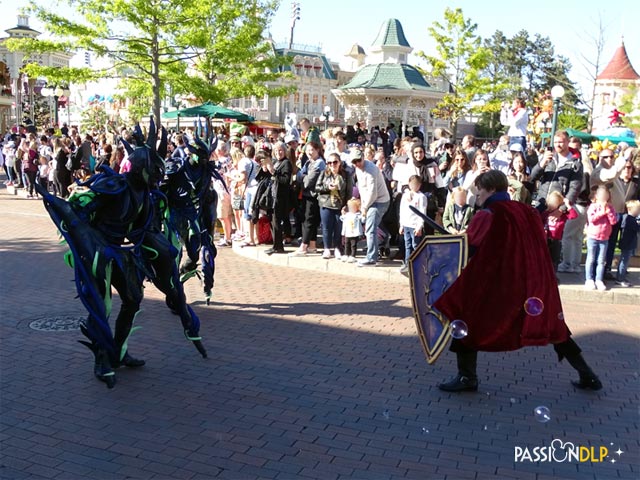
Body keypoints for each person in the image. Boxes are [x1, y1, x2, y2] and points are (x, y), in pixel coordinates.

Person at [434, 170, 602, 393]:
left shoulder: (488, 214)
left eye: (481, 190)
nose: (478, 195)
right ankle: (587, 374)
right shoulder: (525, 210)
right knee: (553, 327)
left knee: (466, 318)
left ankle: (467, 377)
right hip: (533, 281)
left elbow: (471, 249)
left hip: (502, 283)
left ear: (492, 189)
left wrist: (451, 244)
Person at [591, 152, 639, 280]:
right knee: (602, 245)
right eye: (605, 156)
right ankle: (596, 273)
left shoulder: (612, 171)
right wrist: (623, 157)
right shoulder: (600, 172)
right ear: (599, 158)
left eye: (612, 156)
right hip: (603, 216)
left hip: (616, 214)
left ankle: (605, 269)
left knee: (611, 244)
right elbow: (612, 174)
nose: (609, 159)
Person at [351, 149, 390, 266]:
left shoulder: (371, 169)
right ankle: (384, 241)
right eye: (354, 162)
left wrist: (364, 207)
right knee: (372, 226)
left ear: (363, 157)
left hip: (380, 201)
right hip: (370, 201)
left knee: (370, 228)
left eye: (359, 160)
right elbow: (363, 189)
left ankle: (371, 257)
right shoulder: (357, 169)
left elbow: (373, 193)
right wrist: (362, 203)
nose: (357, 163)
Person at [529, 130, 583, 211]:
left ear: (568, 142)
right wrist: (542, 163)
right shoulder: (549, 158)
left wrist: (562, 209)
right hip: (541, 203)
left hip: (558, 208)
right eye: (555, 142)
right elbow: (532, 177)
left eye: (561, 142)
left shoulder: (575, 163)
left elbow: (574, 189)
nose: (557, 145)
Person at [290, 141, 325, 256]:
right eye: (308, 150)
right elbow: (300, 175)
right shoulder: (309, 162)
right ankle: (312, 245)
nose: (310, 152)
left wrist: (303, 177)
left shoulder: (319, 163)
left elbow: (308, 181)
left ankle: (304, 245)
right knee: (311, 220)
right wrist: (303, 177)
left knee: (309, 220)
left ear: (318, 150)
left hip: (313, 196)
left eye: (312, 150)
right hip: (306, 195)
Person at [316, 152, 352, 259]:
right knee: (326, 227)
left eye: (335, 162)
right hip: (326, 203)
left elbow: (349, 192)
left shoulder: (346, 175)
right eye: (330, 163)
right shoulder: (324, 173)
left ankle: (337, 248)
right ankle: (327, 249)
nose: (332, 165)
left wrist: (346, 205)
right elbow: (317, 187)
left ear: (339, 162)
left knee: (338, 227)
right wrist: (327, 187)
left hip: (339, 204)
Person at [584, 185, 618, 291]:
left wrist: (608, 213)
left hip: (604, 238)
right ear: (597, 196)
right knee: (591, 259)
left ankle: (599, 279)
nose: (604, 197)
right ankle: (589, 279)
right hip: (593, 237)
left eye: (606, 195)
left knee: (601, 260)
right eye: (601, 195)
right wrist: (601, 212)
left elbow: (613, 221)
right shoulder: (593, 207)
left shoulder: (611, 207)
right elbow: (592, 219)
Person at [265, 141, 292, 255]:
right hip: (272, 196)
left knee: (276, 221)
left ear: (285, 151)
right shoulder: (276, 162)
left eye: (280, 150)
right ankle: (275, 244)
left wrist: (274, 173)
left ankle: (278, 246)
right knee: (272, 220)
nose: (278, 153)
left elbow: (285, 180)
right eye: (276, 151)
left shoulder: (286, 163)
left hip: (281, 197)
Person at [540, 191, 578, 274]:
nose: (552, 205)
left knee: (554, 259)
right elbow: (540, 223)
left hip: (556, 240)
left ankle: (553, 275)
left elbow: (574, 215)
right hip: (546, 239)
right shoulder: (545, 214)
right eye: (551, 203)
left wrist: (567, 205)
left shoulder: (562, 215)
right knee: (544, 258)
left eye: (555, 203)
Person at [398, 175, 427, 273]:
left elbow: (422, 213)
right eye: (412, 184)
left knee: (415, 245)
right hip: (406, 224)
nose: (414, 186)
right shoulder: (405, 195)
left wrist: (419, 226)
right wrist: (401, 225)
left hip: (415, 225)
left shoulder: (421, 197)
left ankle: (417, 264)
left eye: (417, 184)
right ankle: (407, 263)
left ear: (420, 185)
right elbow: (402, 210)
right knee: (407, 245)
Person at [616, 200, 640, 287]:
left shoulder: (626, 218)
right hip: (628, 244)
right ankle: (620, 278)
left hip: (627, 243)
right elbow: (637, 229)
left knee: (624, 260)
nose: (638, 211)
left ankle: (621, 276)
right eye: (637, 209)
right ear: (630, 209)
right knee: (624, 261)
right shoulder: (630, 219)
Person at [340, 198, 365, 263]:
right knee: (346, 244)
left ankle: (353, 255)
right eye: (350, 207)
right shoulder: (347, 214)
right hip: (347, 232)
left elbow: (363, 220)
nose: (351, 208)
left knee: (353, 245)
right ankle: (346, 254)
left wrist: (363, 214)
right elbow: (342, 218)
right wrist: (342, 213)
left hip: (354, 232)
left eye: (352, 207)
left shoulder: (358, 215)